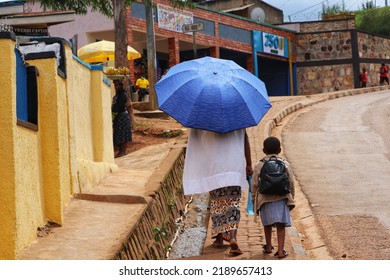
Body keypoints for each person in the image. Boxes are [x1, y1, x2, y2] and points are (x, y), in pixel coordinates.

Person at [182, 128, 253, 256]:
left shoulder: (207, 120)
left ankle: (219, 239)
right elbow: (245, 140)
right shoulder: (238, 118)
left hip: (215, 168)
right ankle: (232, 237)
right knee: (233, 204)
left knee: (217, 204)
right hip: (234, 167)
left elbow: (201, 143)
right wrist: (249, 164)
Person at [251, 136, 295, 259]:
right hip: (282, 198)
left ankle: (269, 246)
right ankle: (281, 251)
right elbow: (291, 181)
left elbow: (254, 184)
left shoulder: (259, 165)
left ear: (264, 150)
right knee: (281, 226)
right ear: (280, 150)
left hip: (265, 199)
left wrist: (254, 198)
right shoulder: (285, 163)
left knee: (267, 224)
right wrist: (291, 196)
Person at [112, 78, 132, 158]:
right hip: (118, 116)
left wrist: (114, 112)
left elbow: (119, 106)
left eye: (117, 85)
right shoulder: (117, 95)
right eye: (115, 85)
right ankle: (120, 151)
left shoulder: (123, 95)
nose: (116, 87)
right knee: (118, 133)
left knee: (123, 134)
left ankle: (123, 151)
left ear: (121, 85)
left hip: (122, 116)